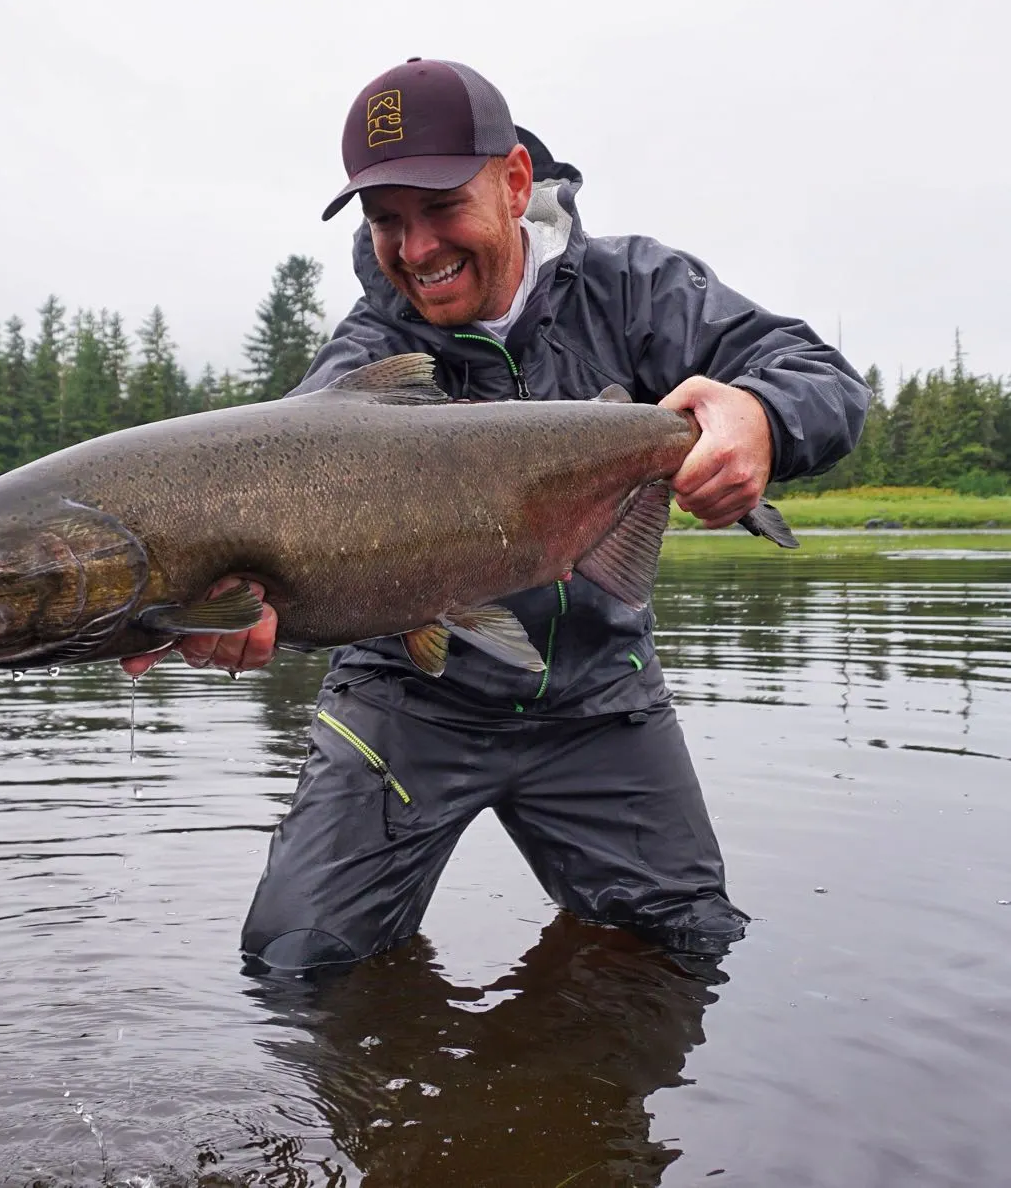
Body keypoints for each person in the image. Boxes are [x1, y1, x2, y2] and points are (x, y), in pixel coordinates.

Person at [124, 58, 869, 972]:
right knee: (296, 966)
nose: (417, 247)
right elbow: (284, 521)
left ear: (516, 181)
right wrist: (241, 605)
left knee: (683, 955)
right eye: (387, 220)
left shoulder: (636, 291)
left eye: (441, 207)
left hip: (600, 691)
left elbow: (824, 381)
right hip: (408, 693)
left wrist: (759, 417)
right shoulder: (368, 353)